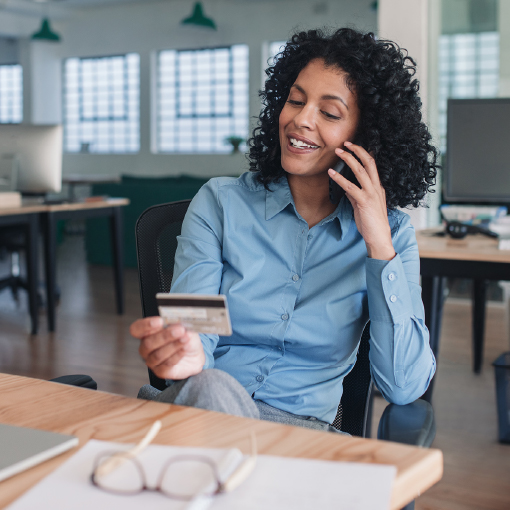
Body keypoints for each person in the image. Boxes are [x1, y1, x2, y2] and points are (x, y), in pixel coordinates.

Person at [130, 27, 439, 433]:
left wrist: (379, 245)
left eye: (329, 113)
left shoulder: (391, 234)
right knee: (213, 389)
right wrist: (184, 354)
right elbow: (194, 331)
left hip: (299, 435)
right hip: (201, 410)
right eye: (295, 100)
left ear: (367, 138)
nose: (300, 120)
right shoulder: (221, 203)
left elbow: (404, 386)